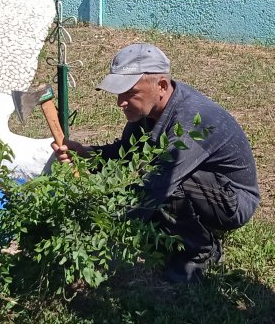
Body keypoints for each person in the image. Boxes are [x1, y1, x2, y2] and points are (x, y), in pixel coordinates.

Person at [53, 42, 260, 283]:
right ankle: (182, 233)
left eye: (130, 93)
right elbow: (127, 155)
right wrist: (87, 153)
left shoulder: (192, 119)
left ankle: (201, 251)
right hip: (200, 187)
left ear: (161, 86)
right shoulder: (147, 111)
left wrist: (99, 228)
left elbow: (158, 184)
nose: (120, 102)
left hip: (232, 201)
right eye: (119, 93)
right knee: (152, 177)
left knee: (165, 182)